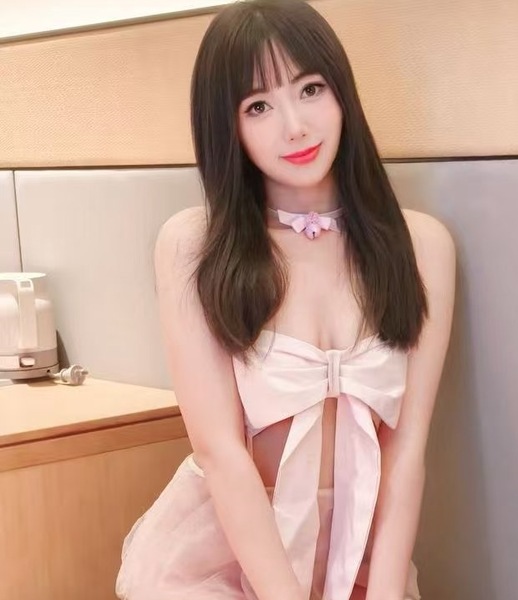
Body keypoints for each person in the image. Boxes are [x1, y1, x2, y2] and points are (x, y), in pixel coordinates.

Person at [115, 0, 456, 599]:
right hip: (229, 554)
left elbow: (406, 453)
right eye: (259, 106)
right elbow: (220, 452)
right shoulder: (195, 245)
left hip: (356, 552)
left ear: (342, 93)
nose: (294, 126)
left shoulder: (421, 246)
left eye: (311, 89)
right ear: (228, 125)